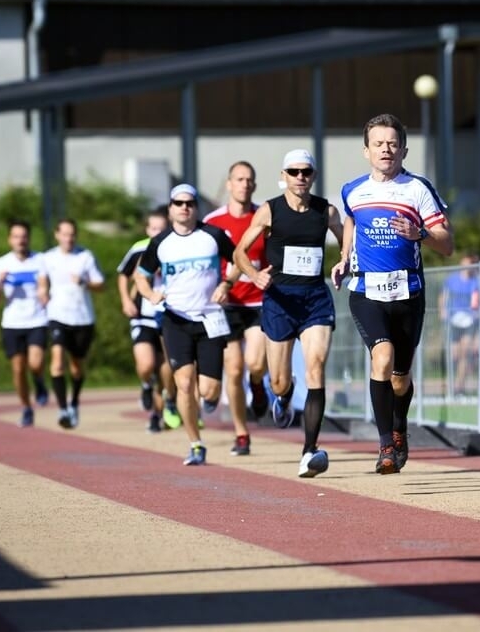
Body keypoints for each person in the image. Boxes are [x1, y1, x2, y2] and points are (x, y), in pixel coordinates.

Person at [331, 113, 454, 475]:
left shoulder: (417, 189)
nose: (386, 149)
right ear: (366, 150)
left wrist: (421, 235)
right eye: (378, 144)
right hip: (366, 290)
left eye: (392, 143)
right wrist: (342, 257)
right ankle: (386, 446)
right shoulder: (352, 189)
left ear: (404, 149)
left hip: (408, 294)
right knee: (381, 359)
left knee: (400, 377)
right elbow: (351, 220)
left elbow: (447, 245)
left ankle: (399, 428)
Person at [234, 149, 345, 477]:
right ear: (284, 175)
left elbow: (345, 239)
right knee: (280, 381)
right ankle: (282, 396)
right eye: (293, 172)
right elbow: (240, 252)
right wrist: (255, 276)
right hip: (280, 301)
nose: (300, 177)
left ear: (313, 175)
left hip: (314, 300)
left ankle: (309, 451)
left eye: (306, 172)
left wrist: (345, 259)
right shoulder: (270, 211)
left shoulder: (326, 210)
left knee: (316, 368)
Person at [134, 184, 237, 466]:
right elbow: (140, 276)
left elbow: (238, 260)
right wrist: (152, 294)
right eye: (178, 203)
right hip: (175, 319)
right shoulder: (161, 243)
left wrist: (227, 283)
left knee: (209, 391)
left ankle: (210, 400)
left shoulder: (213, 236)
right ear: (170, 209)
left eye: (189, 203)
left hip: (210, 319)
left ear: (196, 207)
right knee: (184, 382)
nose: (184, 208)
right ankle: (195, 444)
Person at [204, 161, 271, 456]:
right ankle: (241, 434)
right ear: (229, 184)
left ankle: (257, 385)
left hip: (258, 300)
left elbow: (274, 255)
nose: (244, 184)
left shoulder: (263, 217)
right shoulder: (213, 222)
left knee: (256, 363)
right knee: (232, 369)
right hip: (228, 304)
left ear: (254, 186)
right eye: (239, 179)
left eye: (249, 180)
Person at [118, 206, 181, 433]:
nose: (156, 233)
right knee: (146, 365)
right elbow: (123, 275)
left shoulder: (175, 247)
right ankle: (145, 385)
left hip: (168, 314)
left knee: (166, 369)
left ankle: (161, 409)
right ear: (147, 229)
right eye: (153, 228)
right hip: (143, 316)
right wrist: (126, 301)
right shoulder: (139, 249)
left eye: (161, 229)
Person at [40, 218, 105, 429]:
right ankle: (62, 410)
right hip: (58, 315)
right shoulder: (47, 258)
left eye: (72, 234)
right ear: (57, 235)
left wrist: (85, 282)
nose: (68, 238)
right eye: (64, 234)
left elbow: (100, 284)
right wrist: (42, 292)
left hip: (83, 318)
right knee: (57, 361)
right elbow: (42, 282)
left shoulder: (85, 256)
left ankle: (74, 402)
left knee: (77, 367)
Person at [0, 219, 50, 427]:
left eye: (23, 236)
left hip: (37, 319)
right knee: (17, 369)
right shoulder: (1, 263)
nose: (20, 240)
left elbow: (44, 283)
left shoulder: (40, 260)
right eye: (16, 236)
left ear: (28, 239)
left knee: (35, 363)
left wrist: (44, 292)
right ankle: (26, 407)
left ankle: (40, 382)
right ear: (9, 239)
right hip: (12, 323)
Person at [439, 252, 480, 397]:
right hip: (453, 320)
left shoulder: (477, 281)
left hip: (469, 320)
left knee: (465, 353)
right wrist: (442, 311)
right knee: (454, 355)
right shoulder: (452, 280)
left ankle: (459, 387)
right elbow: (443, 296)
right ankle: (449, 385)